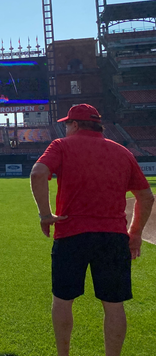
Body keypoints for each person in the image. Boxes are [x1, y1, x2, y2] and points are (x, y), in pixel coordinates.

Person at [30, 104, 154, 356]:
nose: (65, 128)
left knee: (63, 300)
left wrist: (45, 215)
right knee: (114, 305)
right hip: (113, 236)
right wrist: (136, 234)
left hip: (70, 233)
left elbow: (37, 173)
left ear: (75, 125)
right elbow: (146, 197)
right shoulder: (122, 152)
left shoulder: (61, 146)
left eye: (67, 124)